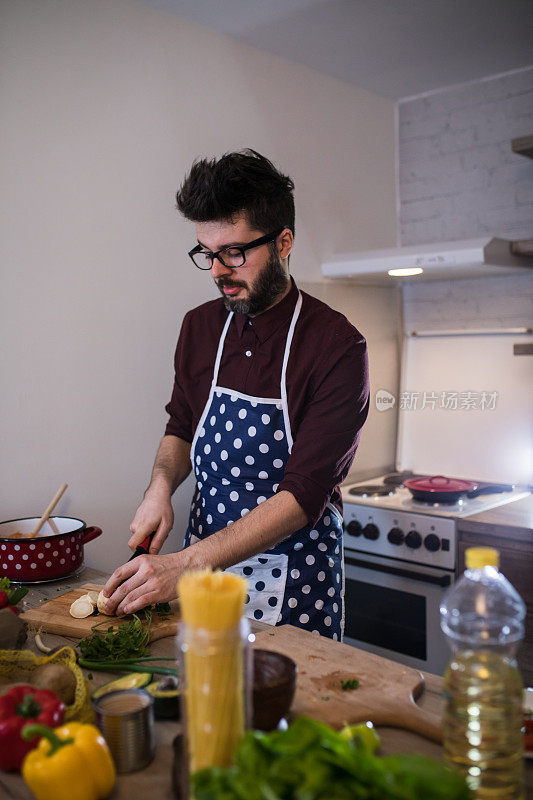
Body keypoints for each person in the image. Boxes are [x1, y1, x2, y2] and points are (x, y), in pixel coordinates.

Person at [103, 149, 369, 640]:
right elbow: (181, 426)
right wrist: (159, 490)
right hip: (199, 570)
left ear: (284, 242)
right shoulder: (200, 327)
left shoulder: (337, 346)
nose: (218, 270)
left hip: (295, 579)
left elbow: (303, 496)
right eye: (207, 252)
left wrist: (185, 563)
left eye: (234, 252)